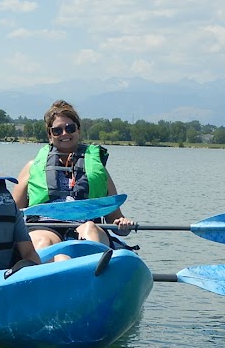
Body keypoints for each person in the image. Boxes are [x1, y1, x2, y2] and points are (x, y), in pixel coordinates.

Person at [12, 99, 134, 253]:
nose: (64, 133)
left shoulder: (98, 169)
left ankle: (90, 269)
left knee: (90, 231)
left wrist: (122, 224)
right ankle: (46, 269)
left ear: (78, 130)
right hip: (45, 225)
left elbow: (114, 219)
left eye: (70, 128)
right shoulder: (32, 167)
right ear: (50, 135)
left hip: (86, 223)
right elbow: (12, 213)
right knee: (43, 241)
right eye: (57, 130)